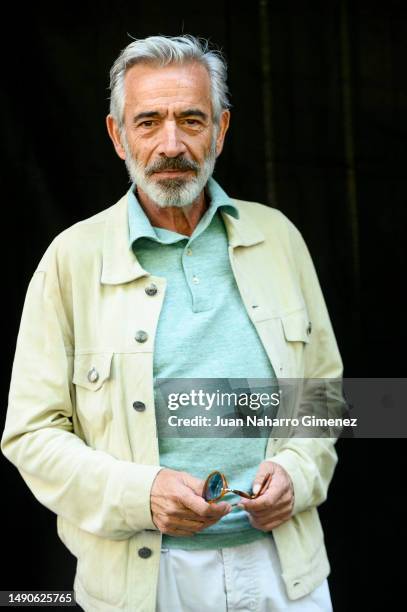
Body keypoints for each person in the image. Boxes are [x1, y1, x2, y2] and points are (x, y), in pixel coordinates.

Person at [1, 35, 343, 611]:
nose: (171, 144)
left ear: (221, 130)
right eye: (148, 122)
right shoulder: (72, 258)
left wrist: (297, 472)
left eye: (191, 119)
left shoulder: (279, 238)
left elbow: (328, 397)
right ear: (116, 135)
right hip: (144, 582)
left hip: (286, 574)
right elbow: (30, 435)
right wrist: (143, 494)